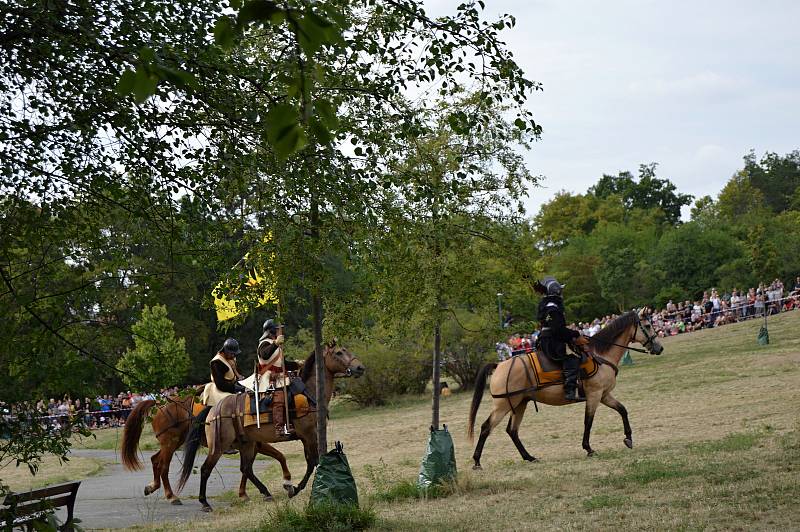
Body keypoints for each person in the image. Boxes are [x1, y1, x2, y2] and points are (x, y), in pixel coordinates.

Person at [534, 276, 590, 402]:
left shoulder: (547, 305)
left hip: (547, 338)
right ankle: (569, 391)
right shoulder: (552, 307)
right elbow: (558, 330)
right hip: (551, 340)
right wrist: (575, 334)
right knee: (573, 357)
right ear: (556, 290)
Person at [256, 319, 290, 434]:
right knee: (279, 398)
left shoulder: (276, 344)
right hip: (268, 377)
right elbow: (265, 355)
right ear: (271, 331)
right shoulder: (264, 343)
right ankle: (279, 427)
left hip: (280, 376)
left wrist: (298, 364)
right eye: (277, 329)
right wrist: (276, 343)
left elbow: (283, 364)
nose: (280, 331)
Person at [201, 338, 246, 407]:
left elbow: (233, 375)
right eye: (232, 354)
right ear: (226, 351)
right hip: (218, 389)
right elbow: (220, 384)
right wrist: (235, 388)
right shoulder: (216, 362)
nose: (234, 356)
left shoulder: (231, 358)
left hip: (229, 388)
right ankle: (201, 417)